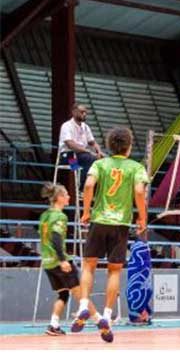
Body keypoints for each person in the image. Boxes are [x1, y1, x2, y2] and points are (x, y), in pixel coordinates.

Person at [71, 127, 149, 343]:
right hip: (120, 225)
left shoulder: (99, 164)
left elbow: (88, 185)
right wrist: (142, 218)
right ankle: (106, 315)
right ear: (129, 146)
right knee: (114, 272)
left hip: (99, 220)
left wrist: (86, 211)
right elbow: (140, 192)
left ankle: (84, 306)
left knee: (88, 266)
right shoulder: (136, 167)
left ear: (109, 145)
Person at [38, 182, 101, 335]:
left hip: (47, 262)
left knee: (63, 294)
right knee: (81, 294)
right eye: (66, 194)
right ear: (59, 198)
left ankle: (53, 325)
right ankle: (100, 321)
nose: (69, 197)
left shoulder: (45, 215)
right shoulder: (59, 216)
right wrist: (62, 260)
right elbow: (55, 237)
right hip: (59, 262)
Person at [57, 103, 104, 190]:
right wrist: (88, 151)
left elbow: (93, 142)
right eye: (82, 112)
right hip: (68, 158)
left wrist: (99, 151)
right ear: (74, 112)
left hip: (81, 155)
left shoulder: (85, 127)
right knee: (89, 159)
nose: (84, 114)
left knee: (103, 160)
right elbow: (70, 144)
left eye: (86, 112)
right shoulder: (66, 126)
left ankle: (96, 190)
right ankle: (82, 188)